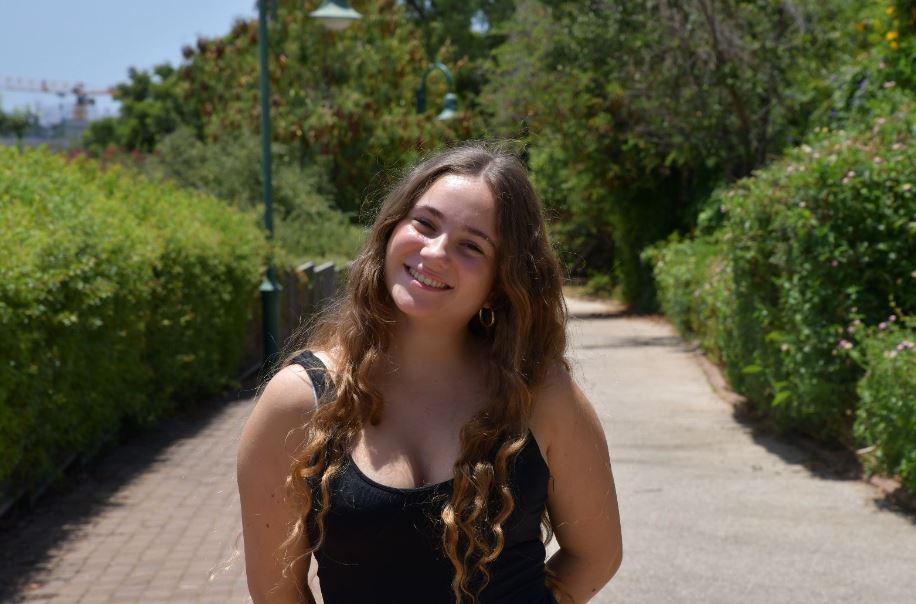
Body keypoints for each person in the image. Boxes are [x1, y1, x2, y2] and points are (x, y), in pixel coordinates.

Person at [237, 142, 622, 603]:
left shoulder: (540, 393)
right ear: (390, 230)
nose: (436, 252)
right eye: (424, 223)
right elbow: (277, 593)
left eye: (471, 246)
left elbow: (595, 555)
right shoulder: (299, 400)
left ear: (501, 281)